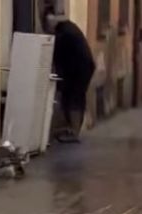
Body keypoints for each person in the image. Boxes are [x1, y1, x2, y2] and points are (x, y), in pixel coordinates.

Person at [45, 12, 96, 143]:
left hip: (79, 69)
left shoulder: (63, 34)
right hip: (83, 67)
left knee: (74, 98)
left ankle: (74, 132)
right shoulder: (69, 27)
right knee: (75, 97)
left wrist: (59, 80)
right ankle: (73, 129)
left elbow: (57, 58)